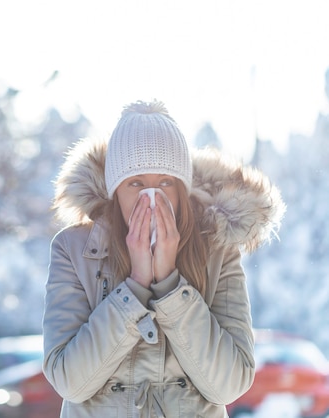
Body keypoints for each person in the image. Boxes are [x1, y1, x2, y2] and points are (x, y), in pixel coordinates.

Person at [42, 100, 285, 417]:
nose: (151, 197)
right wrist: (135, 287)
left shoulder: (218, 251)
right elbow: (69, 382)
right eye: (136, 183)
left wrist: (172, 286)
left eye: (165, 183)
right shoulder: (75, 250)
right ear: (116, 191)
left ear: (182, 190)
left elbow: (230, 384)